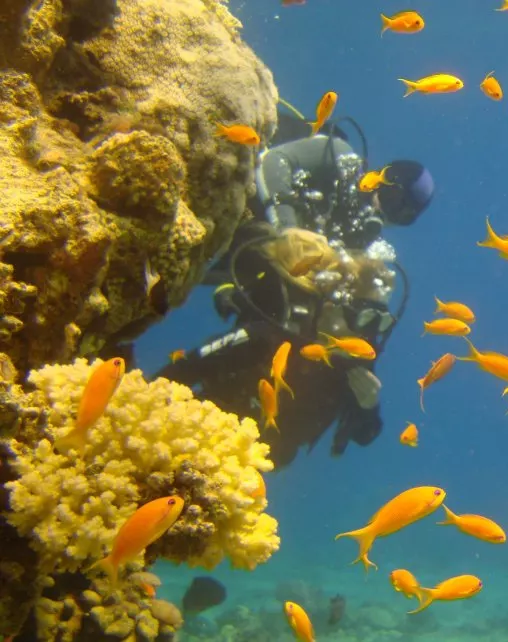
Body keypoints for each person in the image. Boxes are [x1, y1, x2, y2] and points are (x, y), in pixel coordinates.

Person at [154, 109, 434, 468]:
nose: (389, 215)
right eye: (393, 201)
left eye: (404, 216)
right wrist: (286, 229)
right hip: (250, 234)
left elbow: (364, 429)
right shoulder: (339, 159)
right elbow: (274, 162)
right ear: (381, 179)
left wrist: (369, 404)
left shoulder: (364, 271)